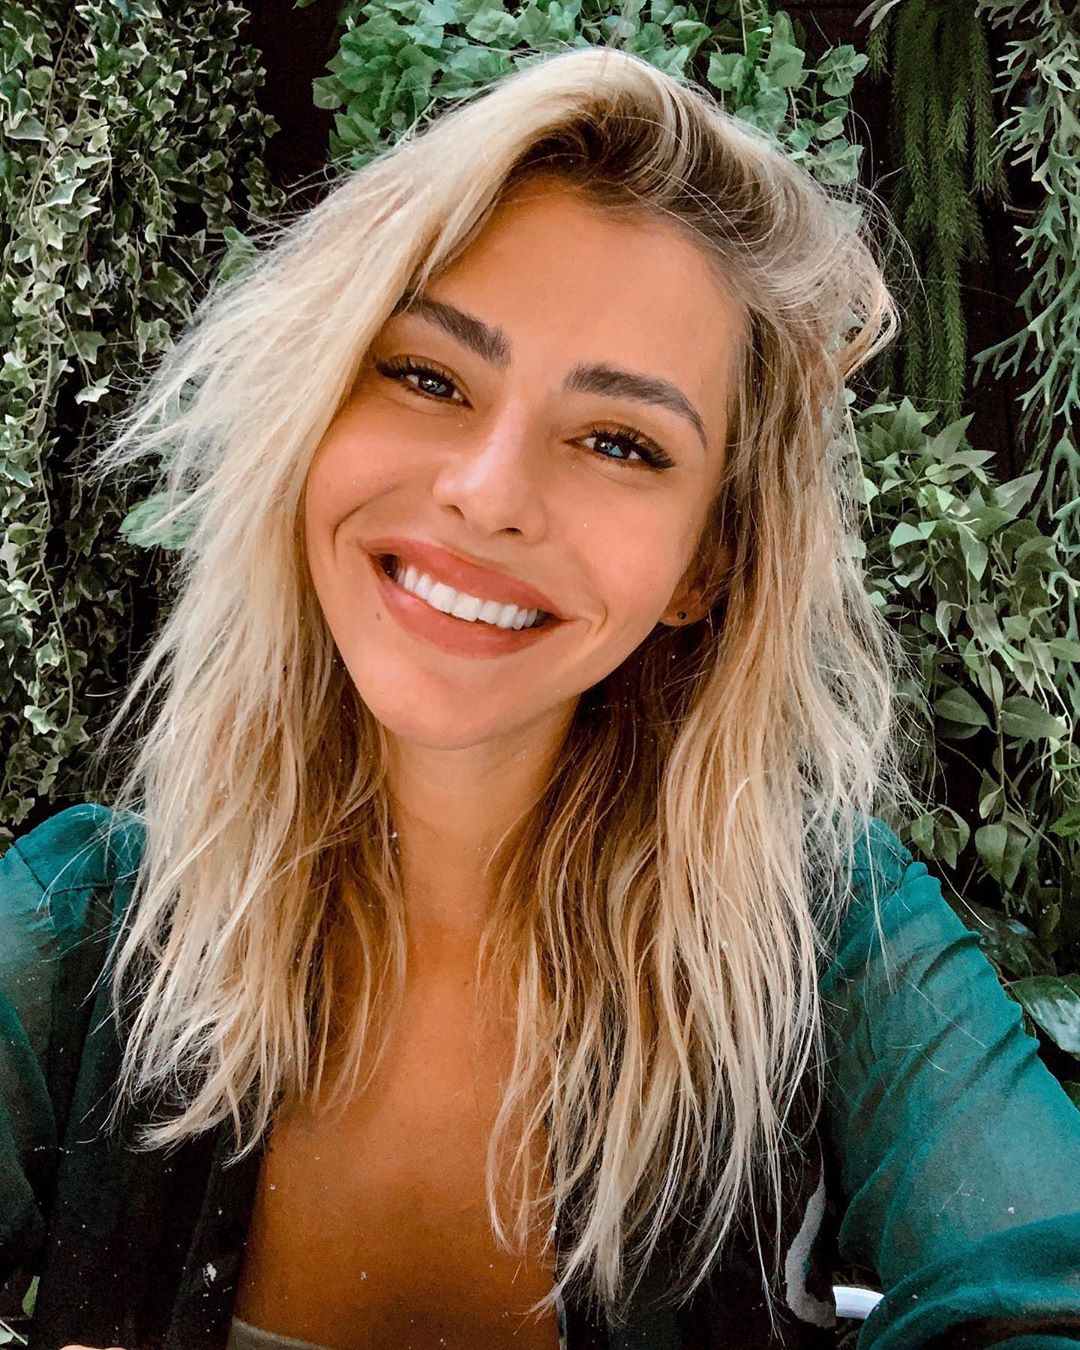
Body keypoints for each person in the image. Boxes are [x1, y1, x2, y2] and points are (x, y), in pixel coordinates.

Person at [2, 42, 1079, 1350]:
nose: (490, 493)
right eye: (427, 375)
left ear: (706, 562)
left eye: (620, 442)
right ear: (315, 414)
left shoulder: (830, 942)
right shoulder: (74, 933)